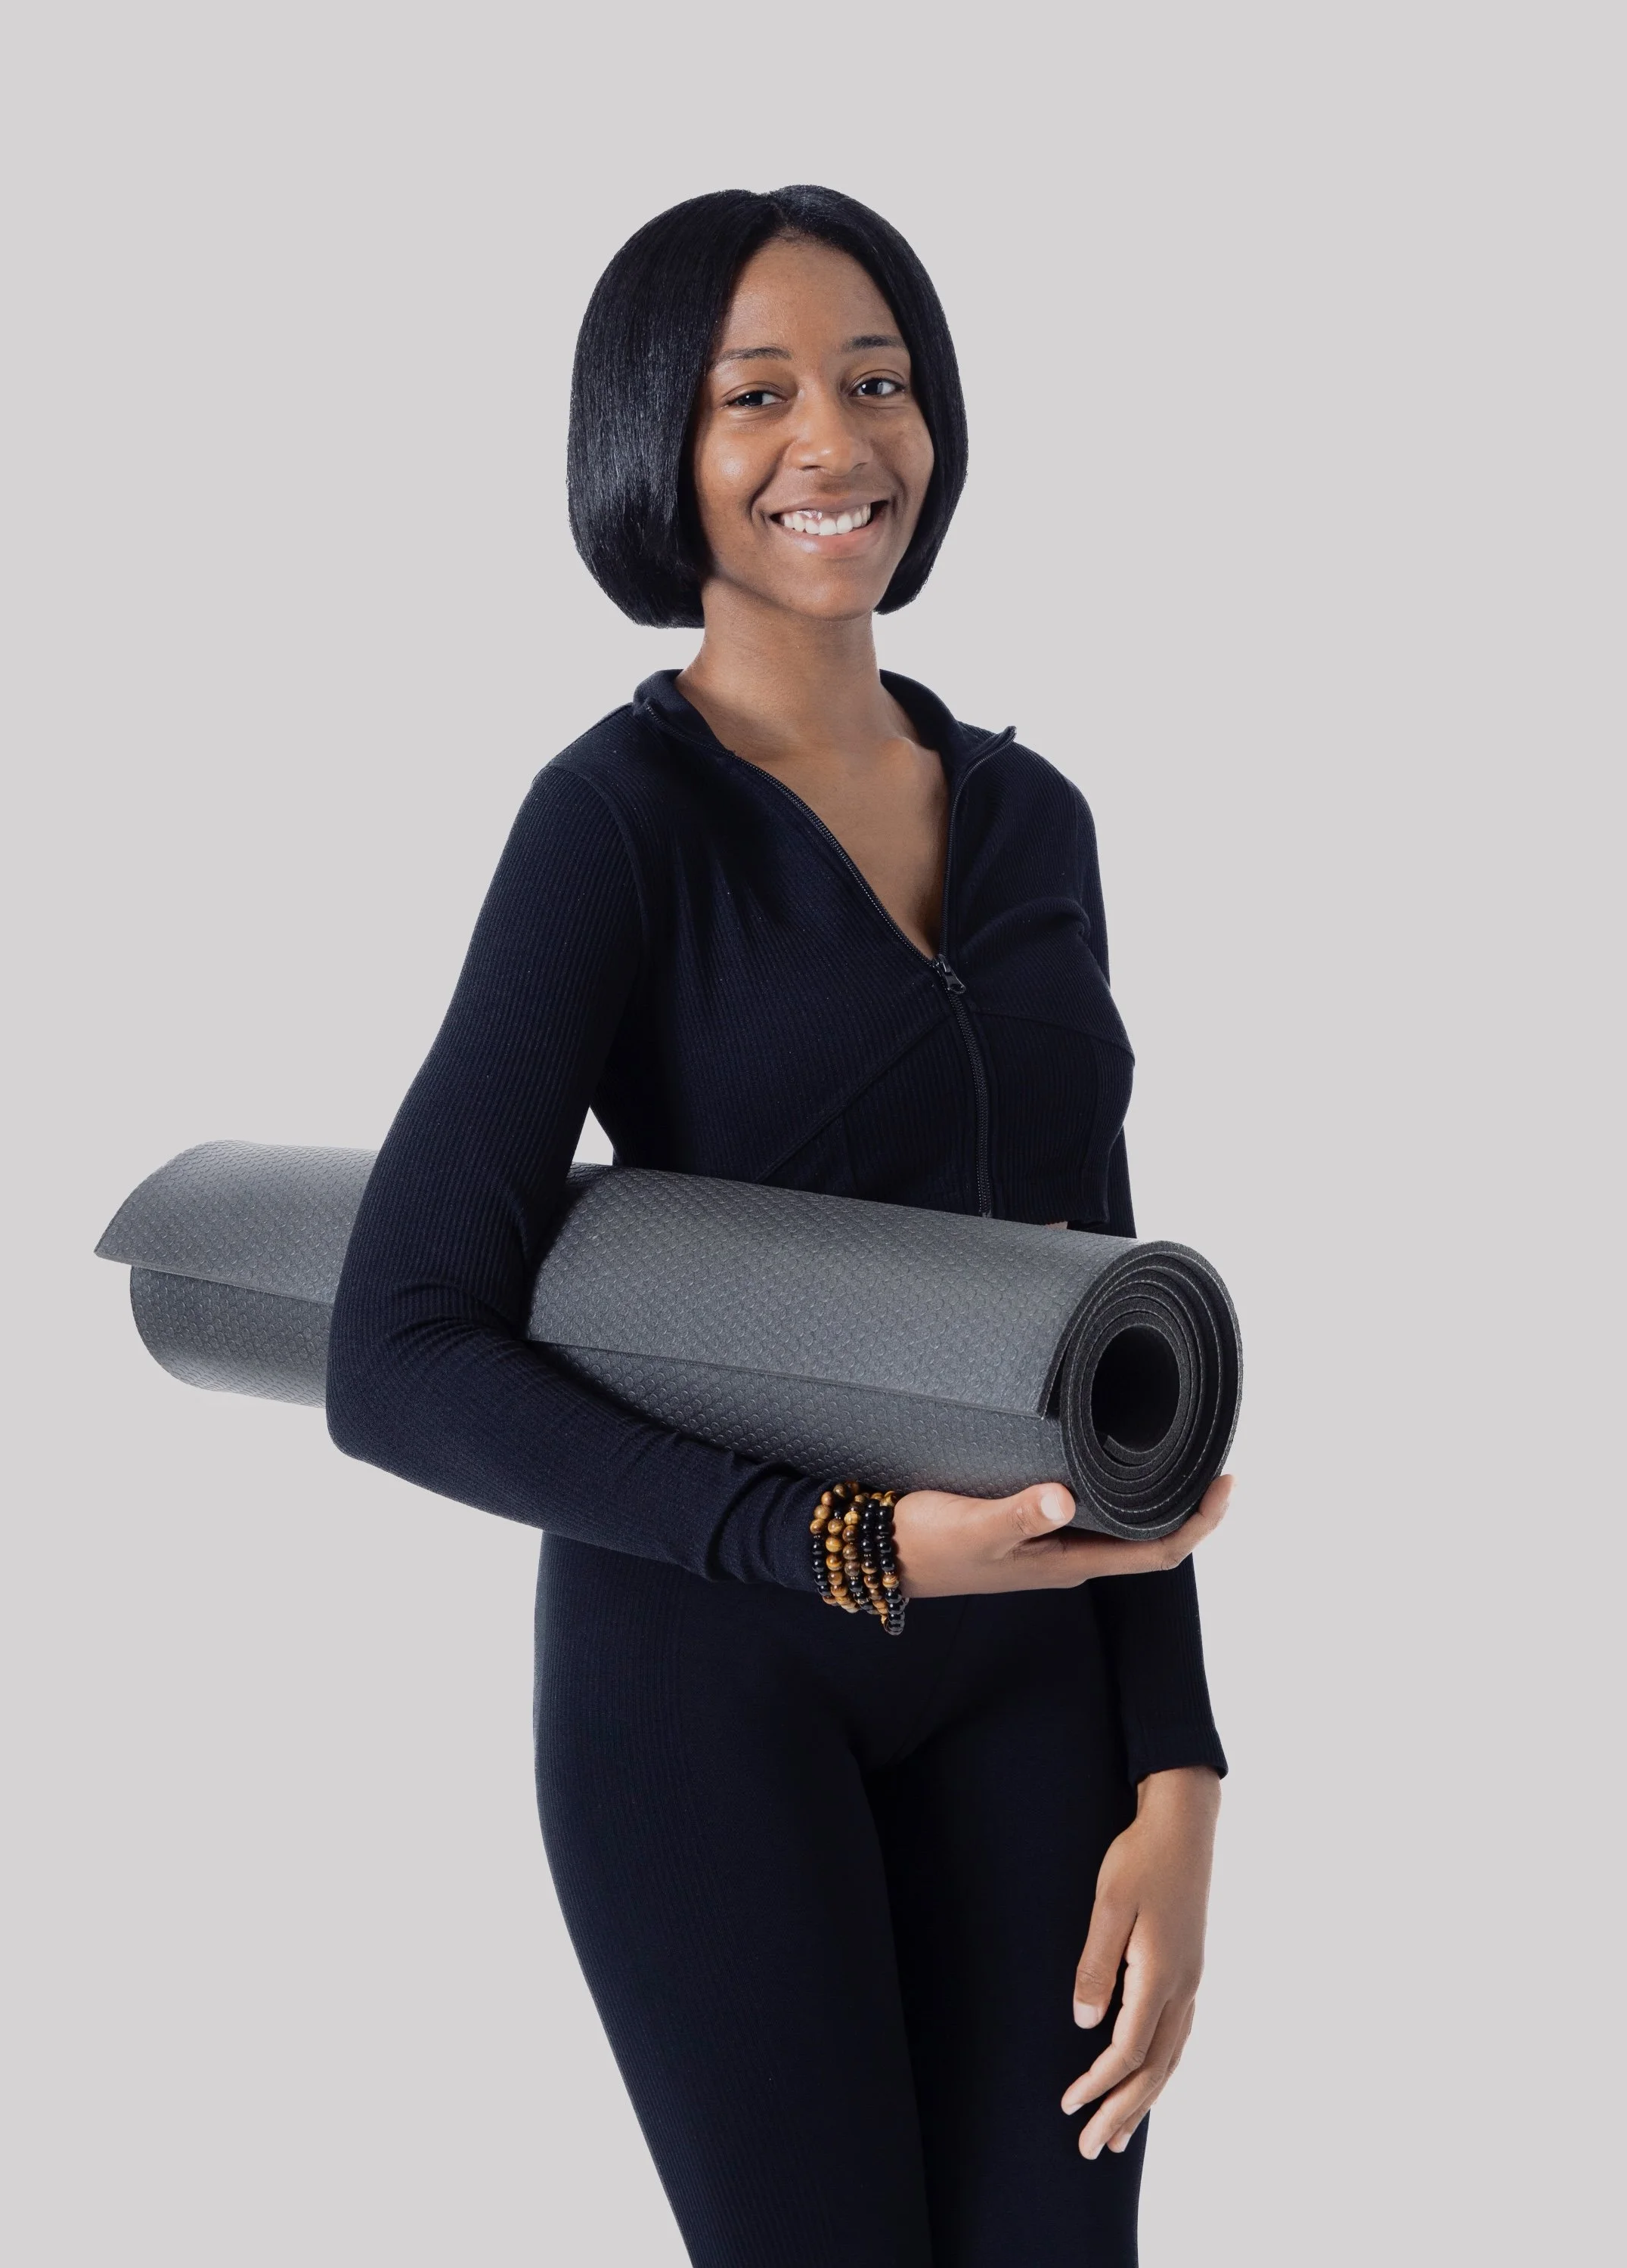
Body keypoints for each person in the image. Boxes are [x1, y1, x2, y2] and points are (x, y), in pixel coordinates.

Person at [327, 184, 1233, 2268]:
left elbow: (1114, 1338)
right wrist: (845, 1544)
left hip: (1031, 1684)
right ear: (656, 440)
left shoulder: (1038, 820)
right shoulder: (617, 823)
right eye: (757, 394)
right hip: (711, 1687)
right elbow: (399, 1348)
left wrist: (1182, 1769)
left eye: (877, 379)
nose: (835, 439)